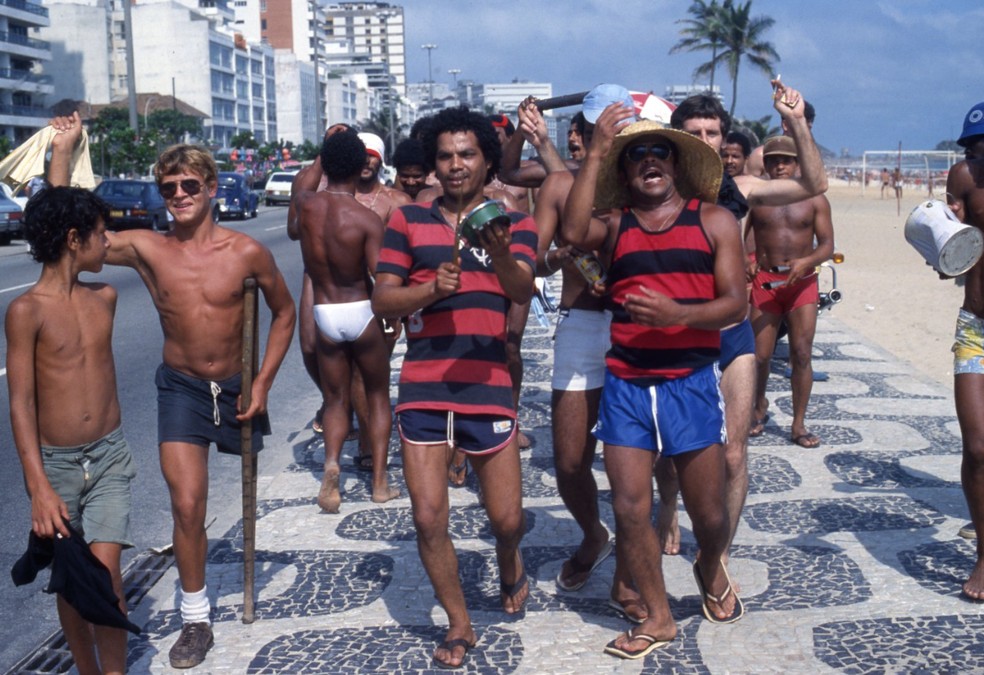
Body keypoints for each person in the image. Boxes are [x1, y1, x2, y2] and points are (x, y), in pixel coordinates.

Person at [562, 107, 747, 658]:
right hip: (626, 383)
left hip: (688, 382)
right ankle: (660, 617)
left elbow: (736, 304)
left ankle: (709, 564)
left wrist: (678, 315)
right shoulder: (615, 225)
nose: (649, 162)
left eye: (659, 153)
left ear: (676, 165)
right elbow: (573, 231)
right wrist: (596, 150)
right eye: (637, 156)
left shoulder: (713, 221)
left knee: (709, 515)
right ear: (624, 174)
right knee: (628, 507)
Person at [106, 143, 295, 669]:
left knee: (228, 497)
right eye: (169, 188)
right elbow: (77, 237)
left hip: (237, 386)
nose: (180, 195)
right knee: (187, 503)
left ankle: (203, 609)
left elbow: (284, 313)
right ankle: (196, 617)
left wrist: (262, 384)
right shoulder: (148, 247)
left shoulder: (245, 253)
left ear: (211, 188)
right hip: (181, 388)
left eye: (190, 185)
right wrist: (61, 155)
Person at [371, 106, 536, 669]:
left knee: (507, 519)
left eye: (467, 154)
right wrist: (427, 292)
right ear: (433, 163)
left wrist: (498, 247)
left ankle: (510, 560)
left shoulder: (517, 222)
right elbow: (382, 300)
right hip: (423, 386)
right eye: (445, 156)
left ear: (487, 160)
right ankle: (459, 623)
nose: (455, 165)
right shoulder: (408, 221)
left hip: (487, 384)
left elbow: (520, 289)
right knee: (426, 517)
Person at [657, 83, 826, 560]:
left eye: (714, 132)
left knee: (733, 453)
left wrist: (794, 122)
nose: (706, 139)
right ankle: (668, 506)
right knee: (670, 456)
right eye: (695, 131)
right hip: (674, 335)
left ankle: (719, 554)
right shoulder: (654, 191)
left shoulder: (743, 189)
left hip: (731, 333)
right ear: (678, 138)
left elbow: (814, 185)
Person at [6, 112, 134, 675]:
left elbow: (62, 211)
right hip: (54, 468)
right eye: (100, 234)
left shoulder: (102, 296)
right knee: (71, 582)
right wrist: (38, 488)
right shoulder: (26, 312)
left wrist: (66, 146)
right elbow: (21, 404)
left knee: (103, 580)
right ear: (75, 240)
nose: (110, 241)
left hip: (107, 458)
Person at [525, 84, 645, 622]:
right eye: (604, 126)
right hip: (579, 322)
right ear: (588, 130)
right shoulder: (558, 184)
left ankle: (628, 564)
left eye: (622, 127)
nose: (613, 135)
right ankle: (594, 533)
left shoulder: (643, 183)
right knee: (570, 459)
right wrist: (562, 257)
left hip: (634, 326)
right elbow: (533, 263)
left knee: (631, 462)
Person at [291, 128, 400, 512]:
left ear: (325, 164)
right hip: (360, 309)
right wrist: (393, 319)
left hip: (324, 312)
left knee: (335, 399)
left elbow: (291, 229)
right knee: (377, 395)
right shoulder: (366, 220)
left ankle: (332, 466)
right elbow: (380, 279)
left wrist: (320, 156)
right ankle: (380, 482)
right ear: (359, 167)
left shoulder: (305, 205)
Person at [747, 135, 834, 449]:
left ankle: (798, 424)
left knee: (801, 353)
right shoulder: (757, 197)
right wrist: (749, 261)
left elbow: (826, 245)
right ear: (765, 164)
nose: (779, 165)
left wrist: (807, 261)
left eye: (786, 160)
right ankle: (758, 407)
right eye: (773, 160)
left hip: (802, 284)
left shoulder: (814, 199)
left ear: (798, 163)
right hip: (766, 283)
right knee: (760, 356)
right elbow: (745, 236)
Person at [945, 100, 984, 599]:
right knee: (977, 447)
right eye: (974, 147)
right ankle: (983, 554)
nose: (979, 154)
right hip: (976, 326)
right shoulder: (964, 178)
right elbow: (947, 248)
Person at [744, 100, 816, 177]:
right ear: (785, 125)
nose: (805, 131)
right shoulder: (760, 156)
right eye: (801, 125)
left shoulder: (810, 160)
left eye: (808, 127)